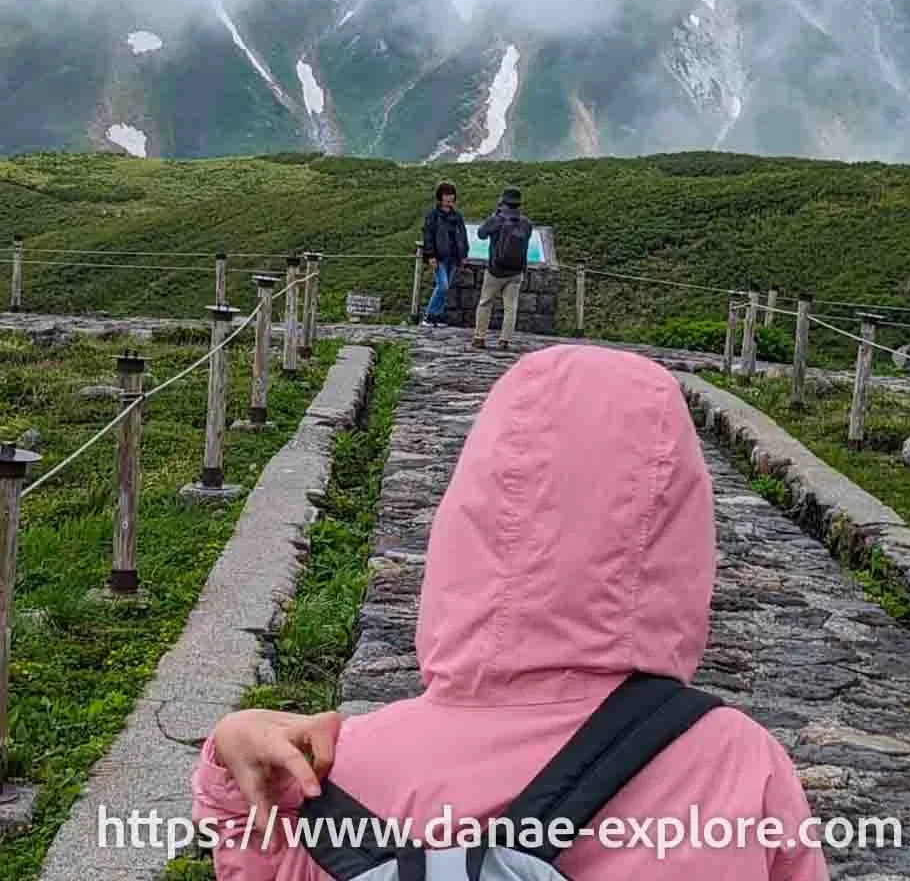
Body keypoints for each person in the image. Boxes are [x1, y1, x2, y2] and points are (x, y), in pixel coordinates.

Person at [191, 344, 829, 881]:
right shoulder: (738, 762)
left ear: (468, 516)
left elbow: (256, 864)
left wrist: (230, 754)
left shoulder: (336, 771)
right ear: (681, 531)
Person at [472, 187, 533, 351]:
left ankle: (479, 337)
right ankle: (504, 340)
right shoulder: (526, 223)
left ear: (503, 201)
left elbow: (481, 234)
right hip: (516, 271)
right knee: (510, 307)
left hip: (495, 270)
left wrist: (494, 215)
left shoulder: (496, 219)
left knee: (485, 302)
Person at [421, 181, 469, 327]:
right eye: (446, 195)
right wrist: (430, 255)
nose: (449, 198)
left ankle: (438, 316)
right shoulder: (433, 215)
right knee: (443, 286)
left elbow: (463, 235)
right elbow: (428, 235)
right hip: (439, 256)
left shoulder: (458, 216)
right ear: (440, 197)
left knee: (444, 287)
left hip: (454, 257)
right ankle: (429, 315)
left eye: (451, 195)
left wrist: (464, 253)